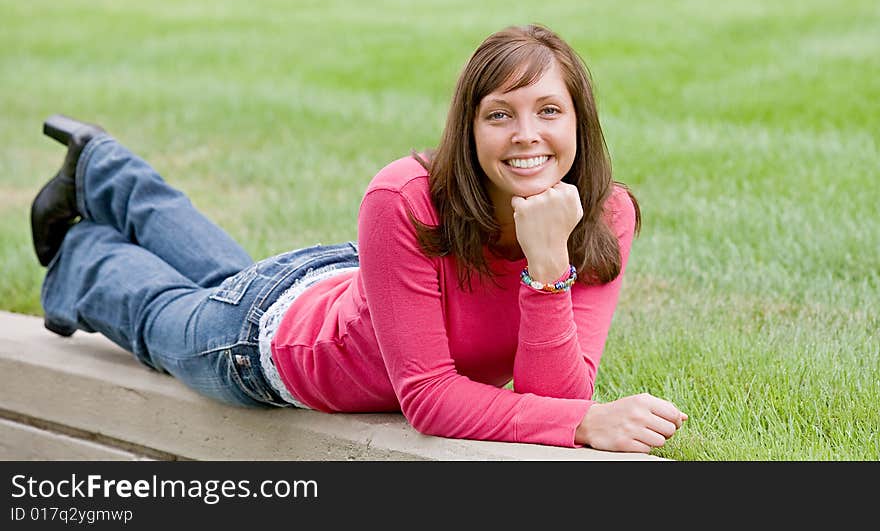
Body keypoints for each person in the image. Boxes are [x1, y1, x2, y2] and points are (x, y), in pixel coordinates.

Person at [31, 24, 686, 453]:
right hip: (266, 346)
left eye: (548, 110)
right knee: (160, 316)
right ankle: (84, 256)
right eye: (499, 114)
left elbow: (553, 394)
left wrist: (547, 263)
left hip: (350, 297)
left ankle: (100, 166)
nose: (526, 134)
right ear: (468, 128)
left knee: (220, 280)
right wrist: (583, 424)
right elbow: (429, 398)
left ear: (580, 122)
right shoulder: (403, 197)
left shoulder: (605, 215)